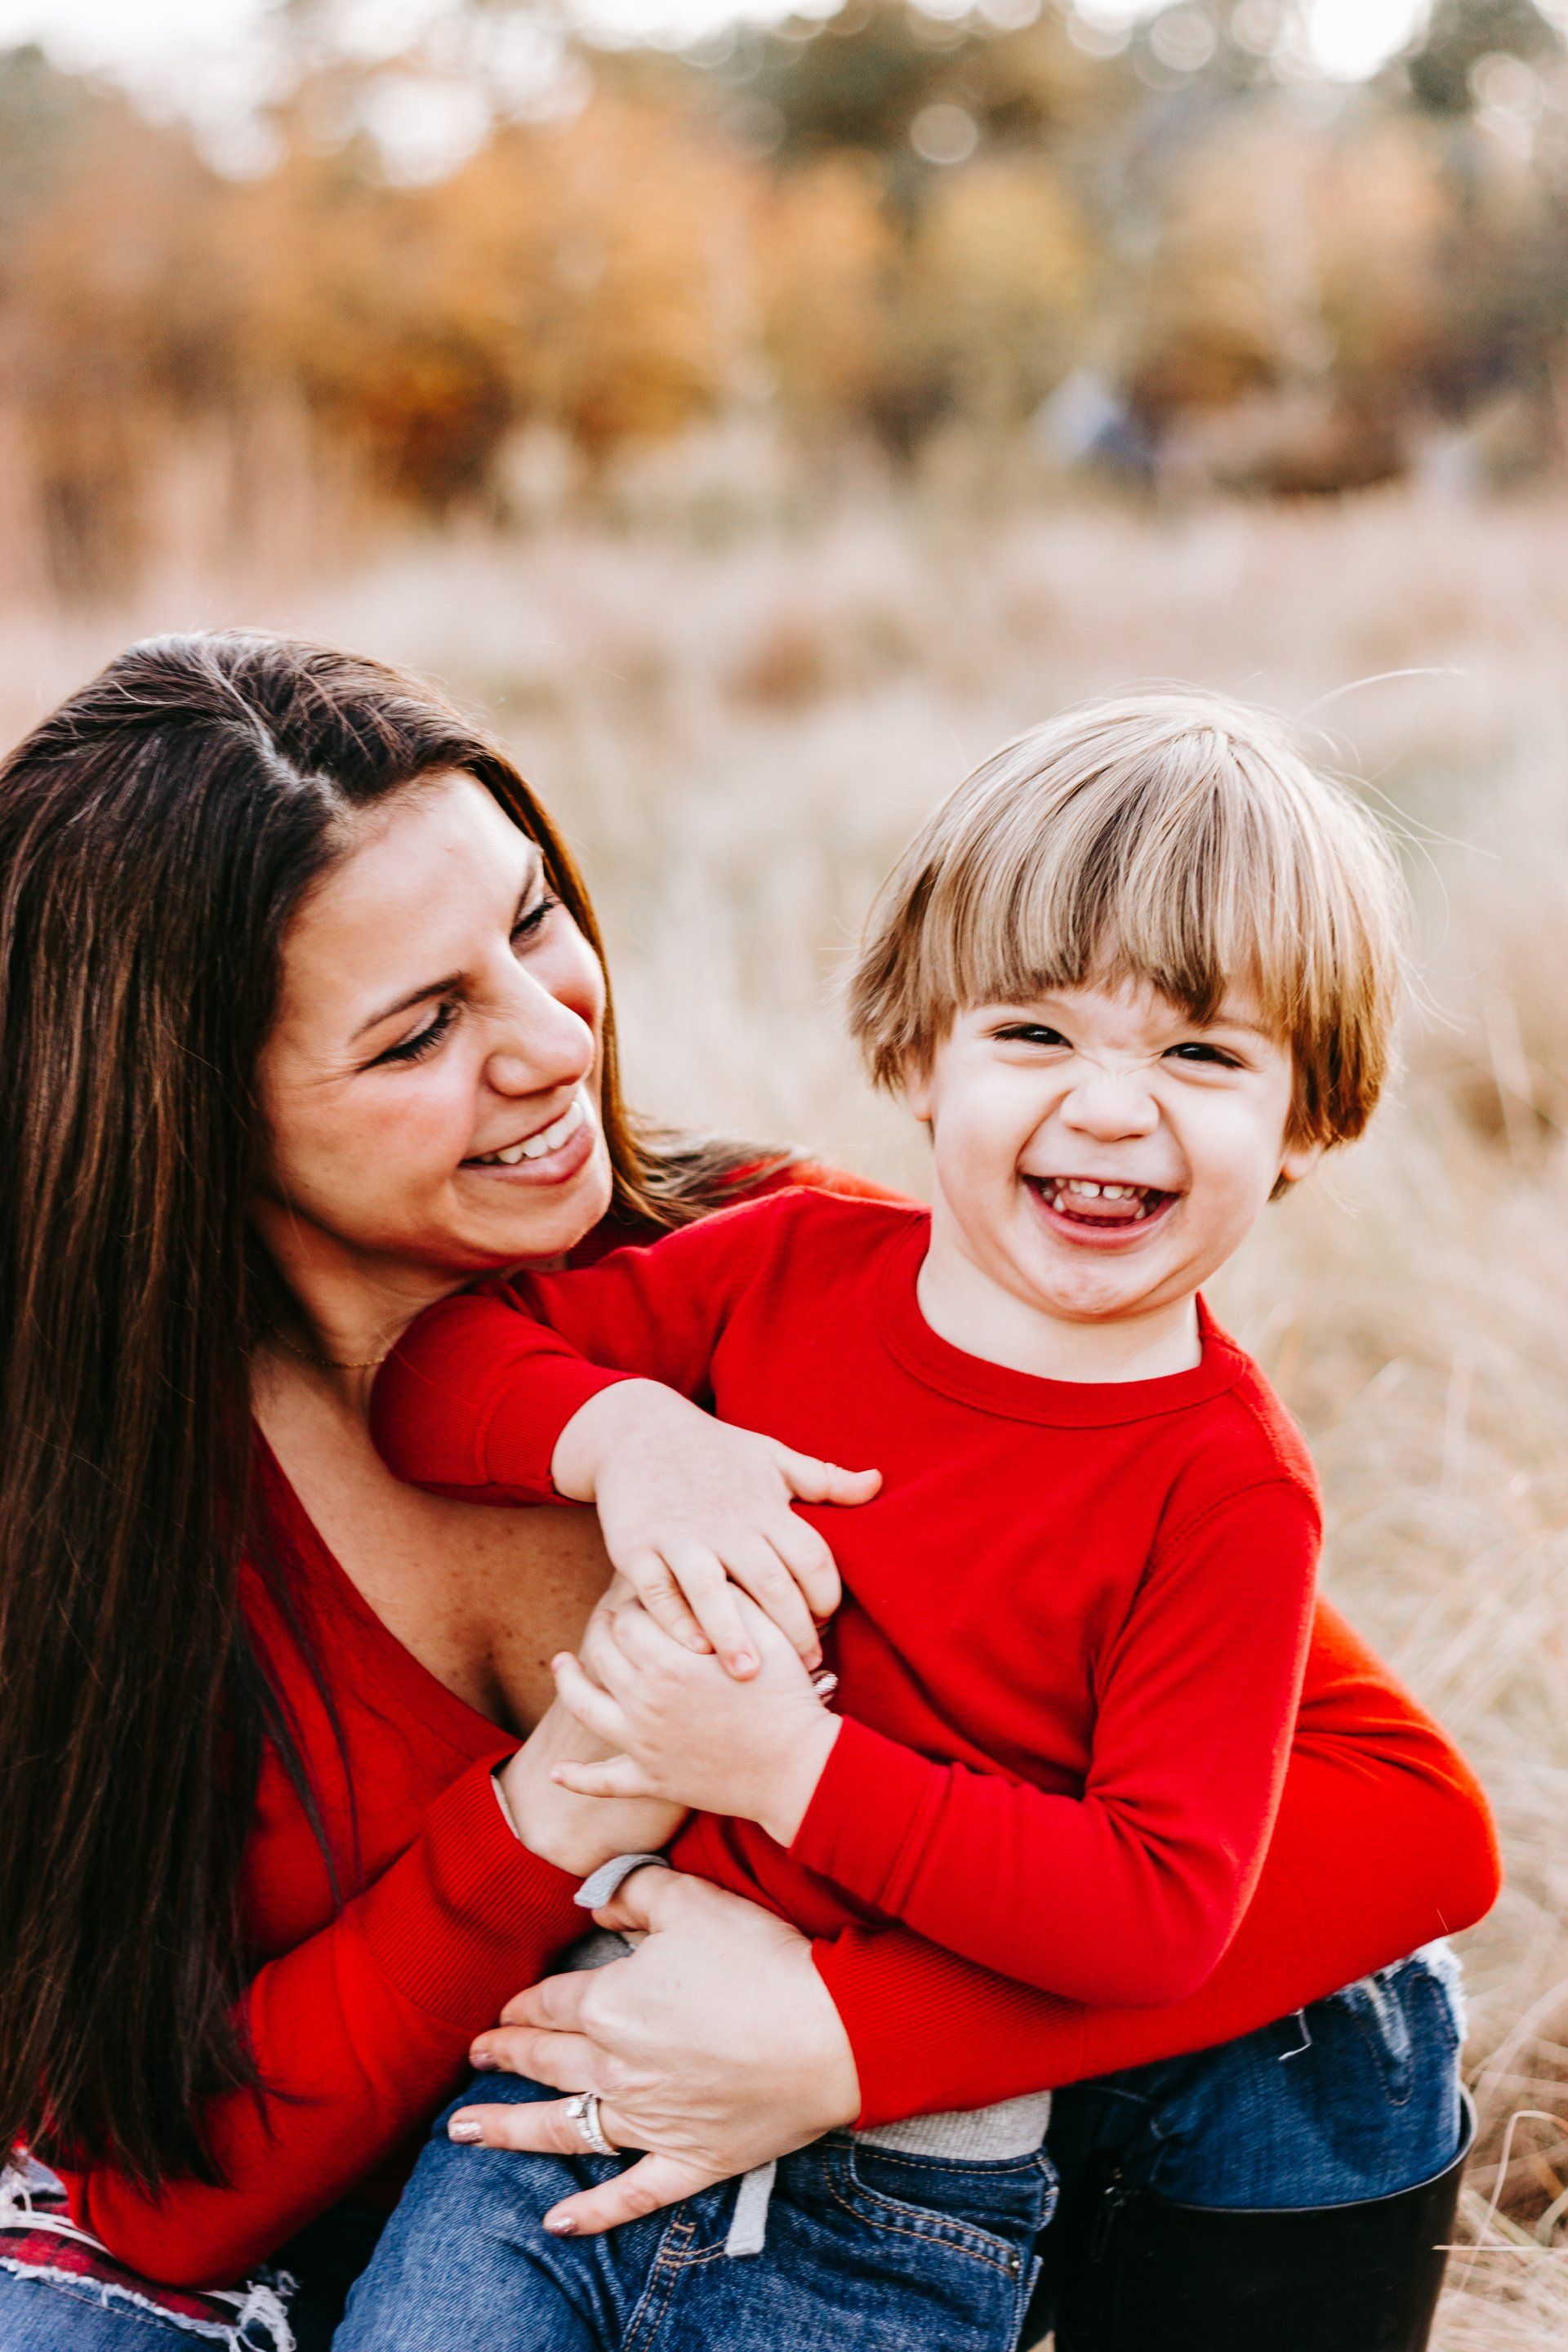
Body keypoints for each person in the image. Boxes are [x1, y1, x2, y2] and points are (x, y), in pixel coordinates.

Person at [0, 642, 1496, 2352]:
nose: (555, 1041)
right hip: (425, 2203)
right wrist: (556, 1807)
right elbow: (158, 2197)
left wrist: (847, 2039)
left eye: (538, 921)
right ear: (186, 1102)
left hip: (857, 2167)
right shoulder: (93, 1522)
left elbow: (1403, 1824)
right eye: (422, 1029)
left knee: (1345, 2018)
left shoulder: (803, 1277)